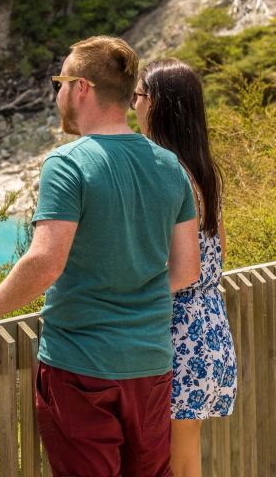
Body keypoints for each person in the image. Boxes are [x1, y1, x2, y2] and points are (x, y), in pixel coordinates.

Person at [0, 35, 200, 477]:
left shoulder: (69, 163)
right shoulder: (168, 165)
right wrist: (133, 290)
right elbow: (187, 269)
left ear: (81, 88)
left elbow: (44, 262)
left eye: (59, 81)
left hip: (82, 367)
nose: (57, 93)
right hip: (151, 365)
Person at [133, 58, 237, 477]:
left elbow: (182, 269)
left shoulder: (167, 172)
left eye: (138, 96)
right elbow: (220, 253)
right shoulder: (201, 170)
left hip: (177, 331)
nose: (132, 106)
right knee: (186, 455)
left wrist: (130, 292)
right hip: (209, 324)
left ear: (157, 103)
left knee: (173, 461)